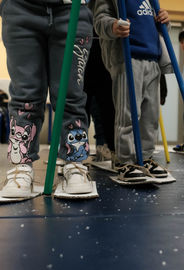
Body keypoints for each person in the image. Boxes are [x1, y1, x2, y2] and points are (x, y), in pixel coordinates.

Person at [0, 0, 94, 198]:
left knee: (71, 95)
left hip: (73, 8)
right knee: (25, 95)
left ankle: (74, 160)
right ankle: (21, 166)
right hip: (20, 7)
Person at [89, 0, 172, 181]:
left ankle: (145, 157)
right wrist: (112, 26)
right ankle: (124, 160)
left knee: (150, 116)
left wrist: (165, 21)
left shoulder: (150, 1)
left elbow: (155, 26)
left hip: (153, 59)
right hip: (127, 58)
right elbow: (99, 20)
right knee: (127, 113)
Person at [84, 28, 114, 162]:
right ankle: (75, 151)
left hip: (104, 63)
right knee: (80, 112)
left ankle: (105, 146)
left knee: (104, 112)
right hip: (82, 61)